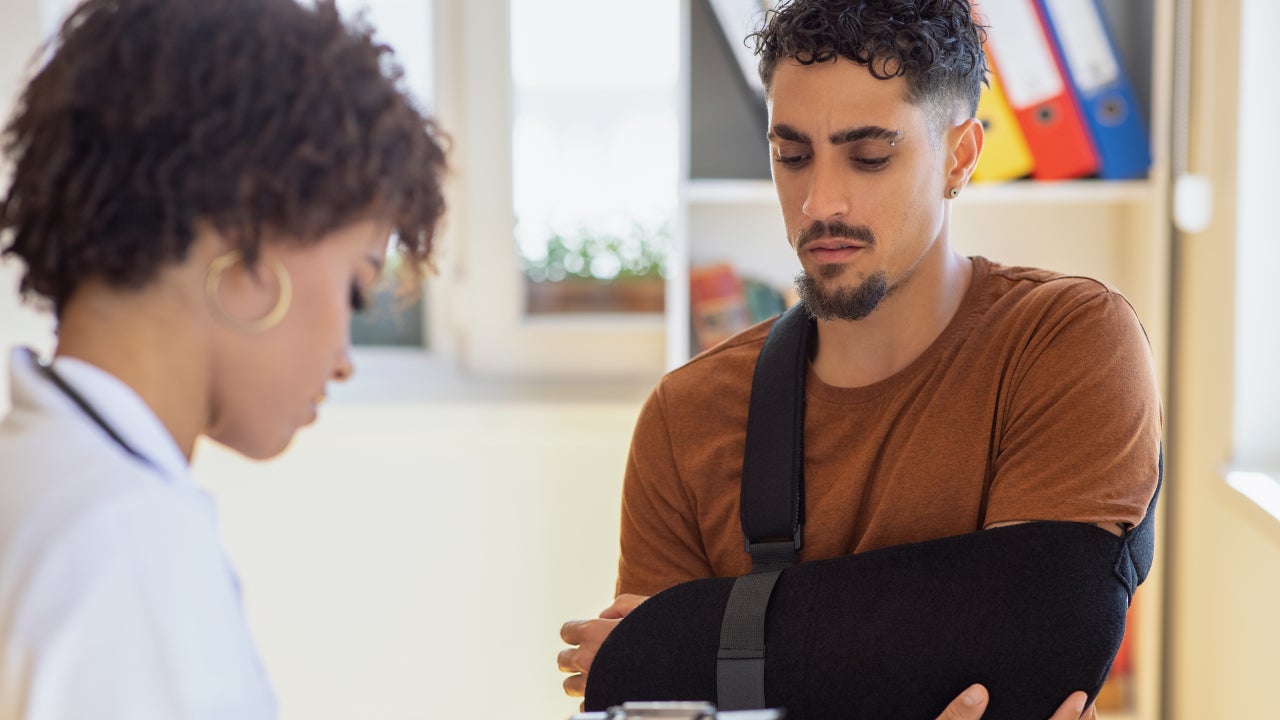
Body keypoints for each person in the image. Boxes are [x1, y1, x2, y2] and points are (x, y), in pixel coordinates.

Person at [558, 1, 1161, 718]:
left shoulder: (1064, 342)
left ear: (960, 158)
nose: (819, 201)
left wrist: (694, 641)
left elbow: (1044, 635)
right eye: (791, 155)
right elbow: (650, 697)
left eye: (870, 156)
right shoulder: (686, 418)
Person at [0, 0, 447, 717]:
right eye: (356, 290)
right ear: (247, 244)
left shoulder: (45, 479)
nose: (343, 361)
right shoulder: (125, 546)